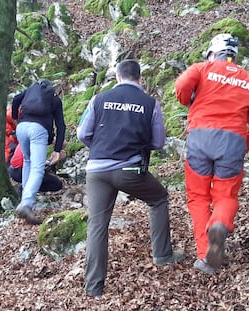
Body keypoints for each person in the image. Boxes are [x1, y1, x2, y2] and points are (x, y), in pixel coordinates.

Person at [77, 59, 186, 298]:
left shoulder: (99, 99)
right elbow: (158, 142)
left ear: (117, 77)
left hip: (96, 170)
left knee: (97, 225)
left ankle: (93, 289)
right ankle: (162, 255)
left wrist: (102, 147)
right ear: (140, 79)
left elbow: (83, 133)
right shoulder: (150, 104)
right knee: (159, 199)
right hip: (130, 171)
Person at [175, 34, 249, 274]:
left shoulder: (202, 68)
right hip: (233, 141)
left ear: (213, 52)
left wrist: (188, 100)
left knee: (198, 197)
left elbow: (181, 87)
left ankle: (204, 255)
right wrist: (244, 145)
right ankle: (220, 224)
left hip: (201, 138)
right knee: (225, 195)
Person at [12, 79, 66, 224]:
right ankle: (27, 204)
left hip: (21, 128)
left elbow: (16, 99)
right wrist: (57, 149)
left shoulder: (29, 91)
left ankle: (24, 199)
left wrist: (16, 119)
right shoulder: (55, 99)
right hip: (38, 130)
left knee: (27, 161)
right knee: (37, 168)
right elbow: (61, 126)